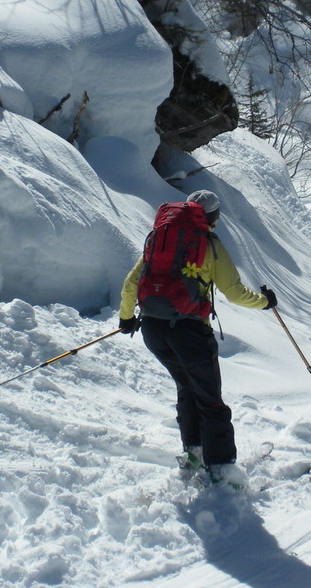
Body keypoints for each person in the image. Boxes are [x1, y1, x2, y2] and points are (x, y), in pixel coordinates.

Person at [118, 190, 276, 488]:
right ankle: (221, 469)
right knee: (209, 400)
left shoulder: (160, 239)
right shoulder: (210, 245)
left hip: (154, 329)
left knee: (187, 389)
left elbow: (131, 283)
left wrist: (127, 318)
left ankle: (194, 453)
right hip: (189, 331)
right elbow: (235, 293)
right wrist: (265, 302)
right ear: (214, 218)